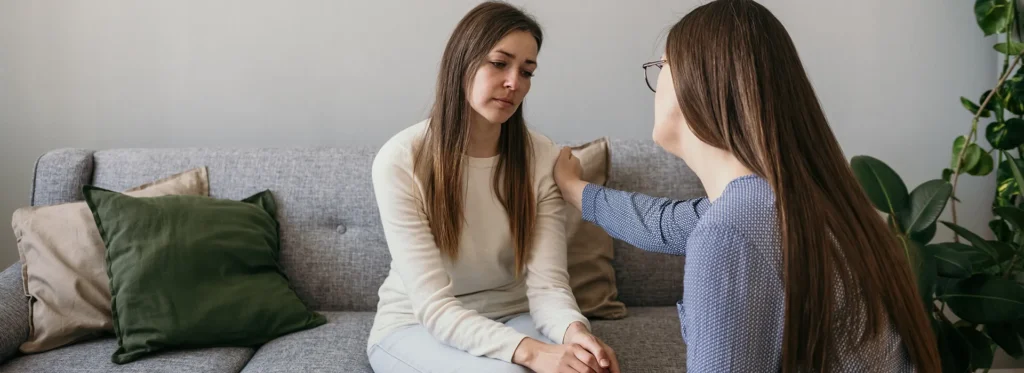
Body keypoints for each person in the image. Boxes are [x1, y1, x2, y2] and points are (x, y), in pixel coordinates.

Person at [552, 0, 941, 372]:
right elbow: (663, 223)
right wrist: (573, 188)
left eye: (663, 65)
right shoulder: (789, 201)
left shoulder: (732, 229)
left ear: (701, 82)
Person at [367, 2, 620, 372]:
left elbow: (548, 287)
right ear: (462, 62)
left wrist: (575, 332)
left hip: (516, 314)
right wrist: (531, 352)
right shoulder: (400, 160)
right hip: (416, 325)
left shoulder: (541, 157)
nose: (514, 83)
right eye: (499, 63)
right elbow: (435, 307)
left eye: (527, 71)